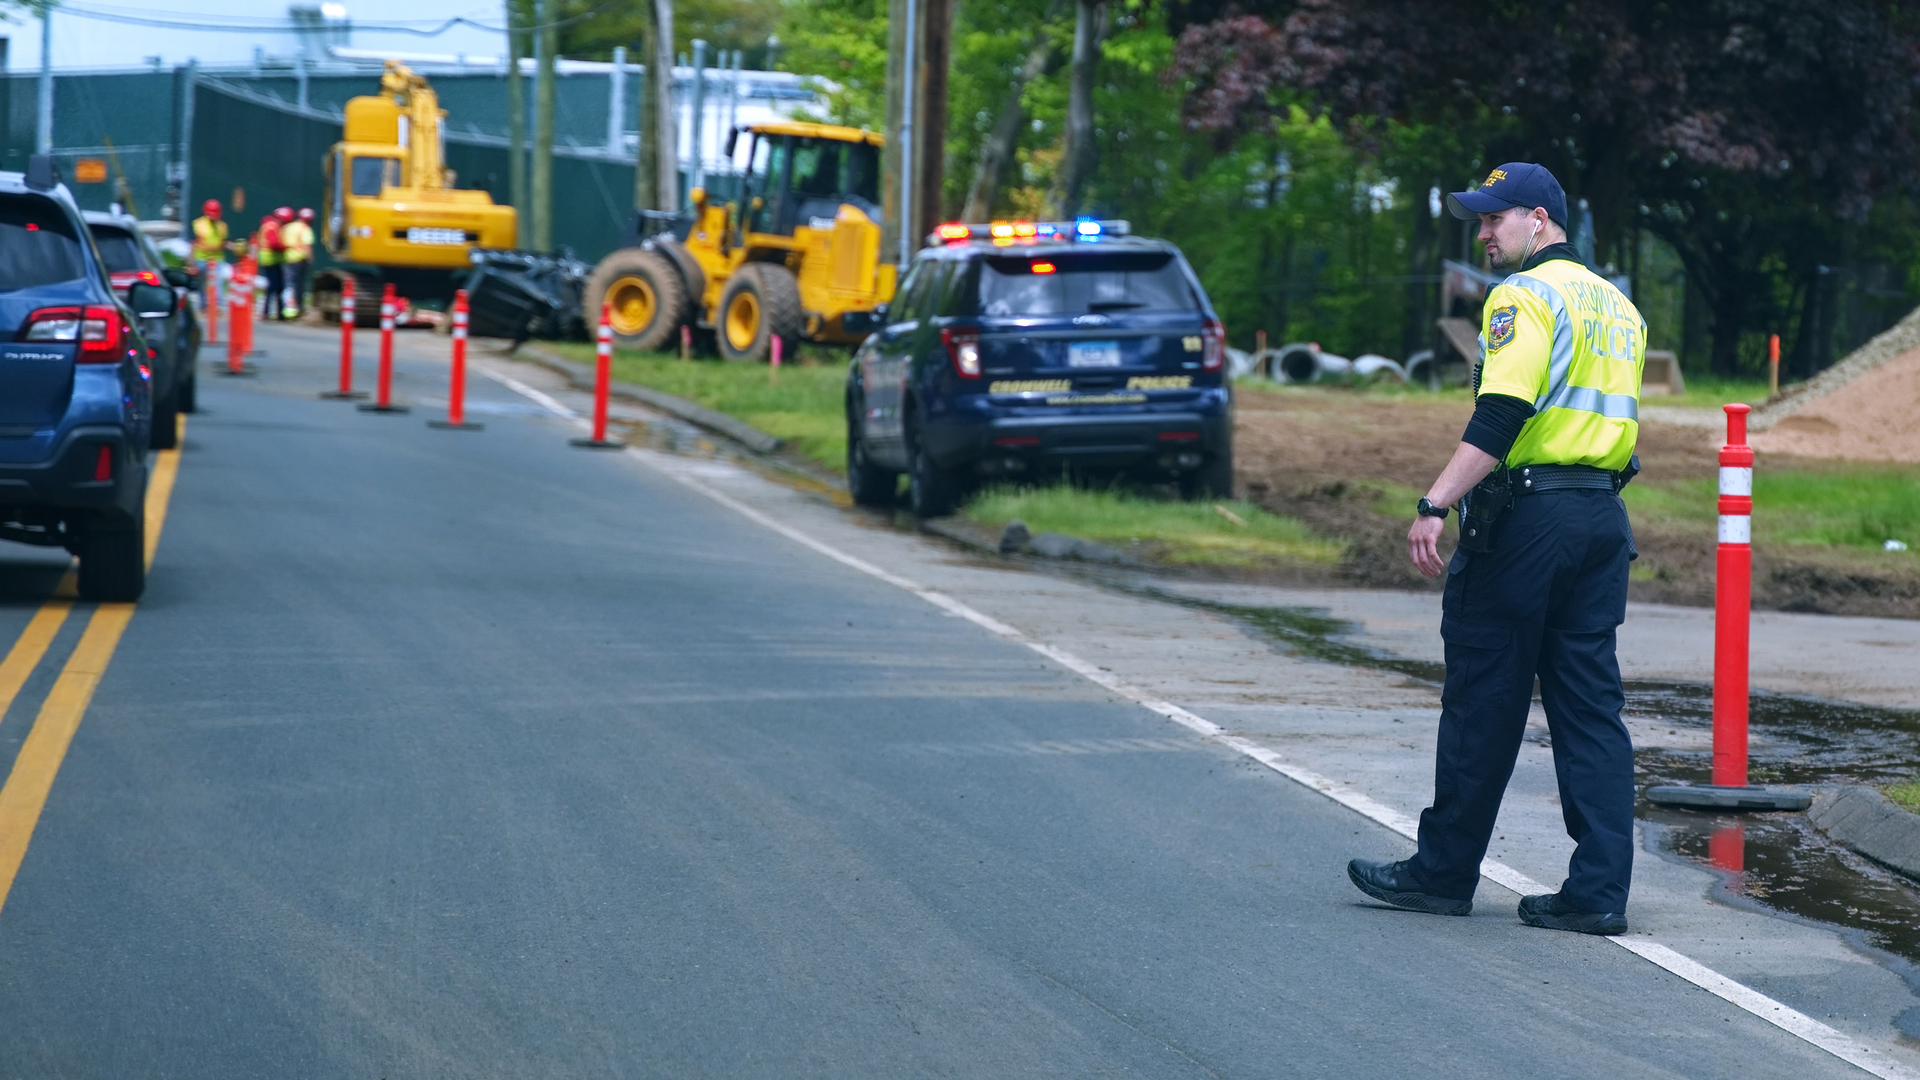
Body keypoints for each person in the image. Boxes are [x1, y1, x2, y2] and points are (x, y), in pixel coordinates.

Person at [1346, 162, 1646, 936]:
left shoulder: (1523, 295)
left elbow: (1503, 410)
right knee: (1590, 709)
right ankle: (1598, 892)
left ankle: (1442, 874)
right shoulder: (1617, 304)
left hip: (1528, 522)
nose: (1482, 233)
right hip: (1600, 518)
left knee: (1484, 697)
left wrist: (1435, 502)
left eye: (1494, 218)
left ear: (1538, 219)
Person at [189, 199, 228, 305]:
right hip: (201, 259)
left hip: (217, 259)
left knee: (218, 283)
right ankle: (203, 305)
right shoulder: (198, 224)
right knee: (202, 283)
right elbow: (192, 243)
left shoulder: (222, 226)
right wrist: (191, 263)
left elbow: (223, 242)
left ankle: (217, 305)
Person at [282, 207, 316, 319]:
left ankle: (286, 308)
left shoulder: (289, 227)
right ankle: (297, 308)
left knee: (289, 284)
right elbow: (307, 246)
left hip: (287, 258)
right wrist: (310, 259)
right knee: (298, 285)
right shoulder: (305, 229)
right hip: (299, 260)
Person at [257, 208, 290, 321]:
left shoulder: (273, 226)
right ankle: (268, 312)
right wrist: (286, 247)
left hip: (274, 261)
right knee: (273, 287)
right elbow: (274, 244)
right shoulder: (272, 227)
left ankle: (276, 312)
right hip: (270, 260)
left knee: (277, 287)